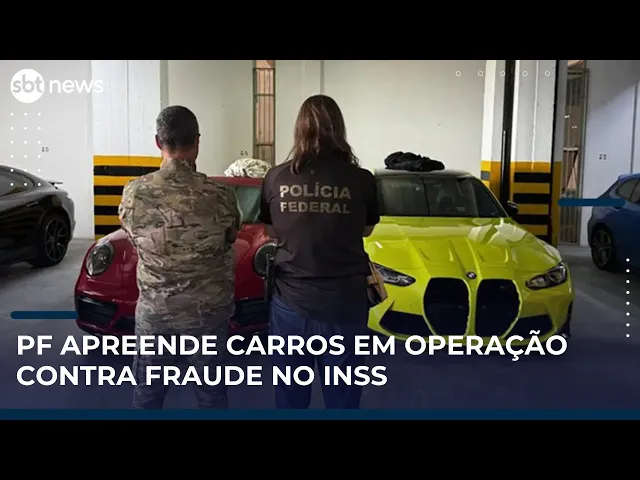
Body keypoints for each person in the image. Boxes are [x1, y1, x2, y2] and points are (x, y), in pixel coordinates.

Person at [258, 94, 380, 409]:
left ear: (299, 129)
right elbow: (366, 229)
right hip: (345, 304)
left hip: (291, 304)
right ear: (339, 129)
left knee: (290, 398)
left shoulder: (276, 177)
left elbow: (271, 229)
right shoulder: (362, 180)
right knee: (343, 399)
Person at [118, 105, 240, 409]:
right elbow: (230, 237)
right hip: (207, 314)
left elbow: (134, 239)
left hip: (155, 314)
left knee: (147, 397)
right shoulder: (220, 195)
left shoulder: (135, 193)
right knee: (211, 398)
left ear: (158, 142)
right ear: (197, 141)